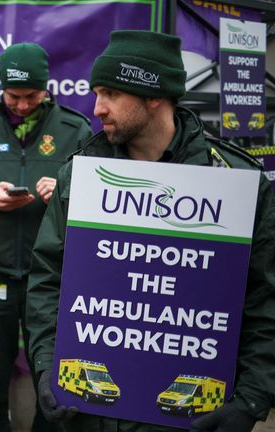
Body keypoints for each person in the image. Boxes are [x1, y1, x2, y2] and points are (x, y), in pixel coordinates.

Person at [26, 30, 275, 432]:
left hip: (186, 418)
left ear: (154, 95)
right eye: (96, 93)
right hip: (88, 414)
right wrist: (44, 368)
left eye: (110, 93)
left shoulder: (235, 182)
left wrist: (250, 399)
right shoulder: (81, 177)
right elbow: (48, 282)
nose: (97, 108)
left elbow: (266, 299)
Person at [0, 42, 91, 432]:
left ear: (46, 88)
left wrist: (65, 189)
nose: (21, 104)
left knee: (49, 372)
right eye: (13, 96)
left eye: (31, 95)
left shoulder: (73, 128)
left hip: (49, 278)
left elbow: (96, 197)